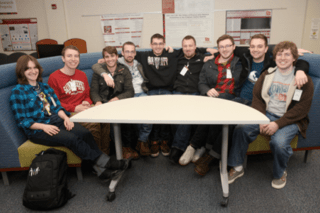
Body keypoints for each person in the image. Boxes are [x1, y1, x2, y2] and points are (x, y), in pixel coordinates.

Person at [180, 34, 310, 176]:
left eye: (260, 46)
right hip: (241, 97)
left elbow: (297, 62)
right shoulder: (246, 56)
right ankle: (201, 148)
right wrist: (208, 50)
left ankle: (212, 156)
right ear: (248, 48)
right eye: (253, 46)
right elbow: (224, 49)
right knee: (219, 114)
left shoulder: (272, 63)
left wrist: (301, 68)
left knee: (231, 124)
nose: (256, 49)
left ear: (267, 49)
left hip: (256, 103)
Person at [10, 55, 130, 181]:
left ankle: (100, 171)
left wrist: (66, 118)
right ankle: (106, 163)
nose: (33, 71)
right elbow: (22, 121)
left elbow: (56, 107)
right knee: (72, 139)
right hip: (38, 130)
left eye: (35, 68)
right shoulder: (18, 92)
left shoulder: (44, 87)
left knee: (85, 133)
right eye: (28, 68)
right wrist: (43, 126)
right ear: (21, 71)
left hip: (57, 120)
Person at [227, 41, 314, 189]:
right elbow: (257, 97)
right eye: (279, 54)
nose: (282, 58)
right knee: (241, 128)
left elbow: (301, 109)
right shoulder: (267, 74)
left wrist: (277, 124)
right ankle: (237, 166)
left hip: (291, 119)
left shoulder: (302, 79)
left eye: (287, 54)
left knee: (278, 143)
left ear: (294, 58)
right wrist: (261, 118)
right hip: (266, 114)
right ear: (275, 57)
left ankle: (280, 172)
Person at [178, 34, 244, 174]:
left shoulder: (240, 62)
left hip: (231, 99)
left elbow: (262, 51)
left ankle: (195, 145)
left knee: (213, 110)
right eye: (221, 47)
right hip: (211, 97)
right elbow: (201, 83)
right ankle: (200, 147)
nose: (225, 49)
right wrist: (207, 90)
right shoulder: (209, 63)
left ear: (234, 47)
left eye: (228, 46)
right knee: (208, 109)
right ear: (217, 48)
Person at [48, 46, 110, 155]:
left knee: (106, 120)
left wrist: (87, 101)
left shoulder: (82, 74)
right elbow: (54, 103)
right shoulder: (54, 77)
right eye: (69, 56)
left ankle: (105, 155)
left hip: (85, 108)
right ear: (63, 58)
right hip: (68, 112)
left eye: (76, 56)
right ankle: (97, 160)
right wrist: (74, 108)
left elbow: (87, 94)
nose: (73, 59)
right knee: (93, 125)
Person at [95, 42, 152, 157]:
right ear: (121, 54)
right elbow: (95, 66)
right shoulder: (117, 62)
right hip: (128, 95)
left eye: (132, 52)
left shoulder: (139, 63)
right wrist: (103, 67)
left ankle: (142, 141)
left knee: (149, 112)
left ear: (135, 53)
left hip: (141, 93)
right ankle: (126, 146)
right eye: (127, 51)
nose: (130, 54)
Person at [167, 35, 214, 164]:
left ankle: (177, 148)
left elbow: (219, 54)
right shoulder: (177, 57)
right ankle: (182, 144)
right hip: (178, 92)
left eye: (190, 46)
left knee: (186, 114)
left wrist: (209, 52)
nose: (188, 48)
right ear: (182, 47)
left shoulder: (201, 58)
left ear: (195, 46)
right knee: (174, 114)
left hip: (195, 93)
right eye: (185, 46)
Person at [90, 46, 136, 159]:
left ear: (117, 57)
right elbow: (94, 91)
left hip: (119, 102)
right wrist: (98, 102)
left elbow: (130, 91)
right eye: (107, 57)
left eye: (112, 56)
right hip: (104, 103)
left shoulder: (124, 70)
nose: (110, 59)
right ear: (104, 58)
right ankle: (113, 151)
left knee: (128, 119)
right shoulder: (99, 72)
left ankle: (127, 147)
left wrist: (117, 99)